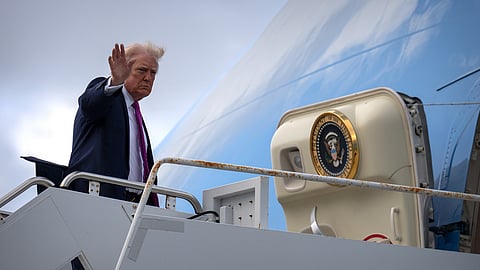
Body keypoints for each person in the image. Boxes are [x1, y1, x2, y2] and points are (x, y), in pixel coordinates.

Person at [66, 42, 165, 206]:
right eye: (141, 70)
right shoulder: (106, 94)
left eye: (153, 73)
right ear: (124, 69)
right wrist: (115, 82)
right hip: (96, 199)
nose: (148, 78)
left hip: (133, 205)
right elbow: (89, 105)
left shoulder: (134, 112)